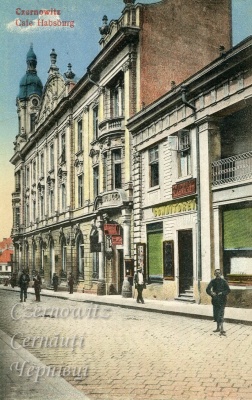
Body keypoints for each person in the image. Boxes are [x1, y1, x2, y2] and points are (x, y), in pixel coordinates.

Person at [206, 269, 231, 335]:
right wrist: (211, 293)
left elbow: (228, 290)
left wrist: (222, 293)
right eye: (216, 273)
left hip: (222, 300)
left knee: (221, 314)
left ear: (221, 274)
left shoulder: (224, 281)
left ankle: (222, 329)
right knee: (216, 314)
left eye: (219, 273)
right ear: (214, 274)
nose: (217, 274)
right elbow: (207, 289)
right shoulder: (213, 281)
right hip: (215, 300)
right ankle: (218, 328)